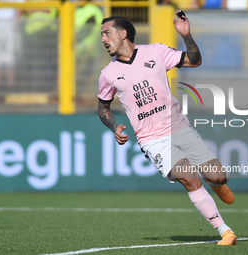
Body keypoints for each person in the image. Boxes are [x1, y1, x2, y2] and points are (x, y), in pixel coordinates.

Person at [97, 12, 237, 245]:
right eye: (102, 35)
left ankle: (217, 184)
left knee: (218, 175)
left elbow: (194, 60)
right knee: (190, 179)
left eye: (106, 33)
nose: (103, 39)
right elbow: (102, 108)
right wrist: (113, 126)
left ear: (123, 33)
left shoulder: (155, 51)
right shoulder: (108, 74)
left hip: (180, 127)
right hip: (152, 139)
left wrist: (186, 35)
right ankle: (225, 231)